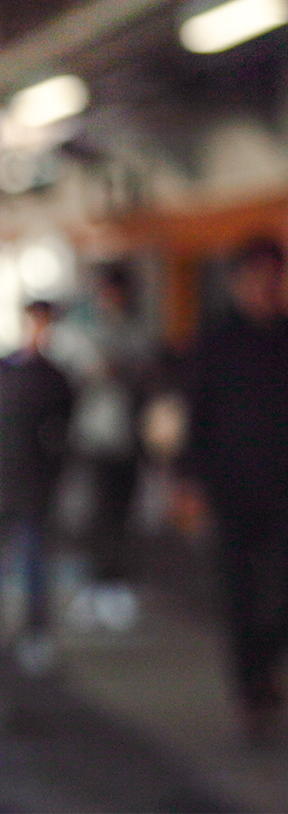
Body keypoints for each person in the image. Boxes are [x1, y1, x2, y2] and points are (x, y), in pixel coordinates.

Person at [186, 237, 288, 742]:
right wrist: (191, 481)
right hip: (231, 488)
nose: (267, 287)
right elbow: (196, 415)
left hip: (283, 488)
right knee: (240, 594)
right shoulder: (217, 341)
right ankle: (251, 689)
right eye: (257, 276)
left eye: (275, 276)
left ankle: (267, 668)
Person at [52, 264, 153, 632]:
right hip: (92, 438)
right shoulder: (82, 333)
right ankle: (94, 588)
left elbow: (146, 376)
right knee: (95, 515)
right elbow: (67, 377)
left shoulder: (134, 333)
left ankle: (115, 587)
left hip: (126, 439)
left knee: (121, 515)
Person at [0, 300, 75, 672]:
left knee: (33, 559)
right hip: (5, 477)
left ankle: (34, 632)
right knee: (4, 559)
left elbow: (65, 430)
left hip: (35, 480)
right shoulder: (4, 370)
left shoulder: (55, 378)